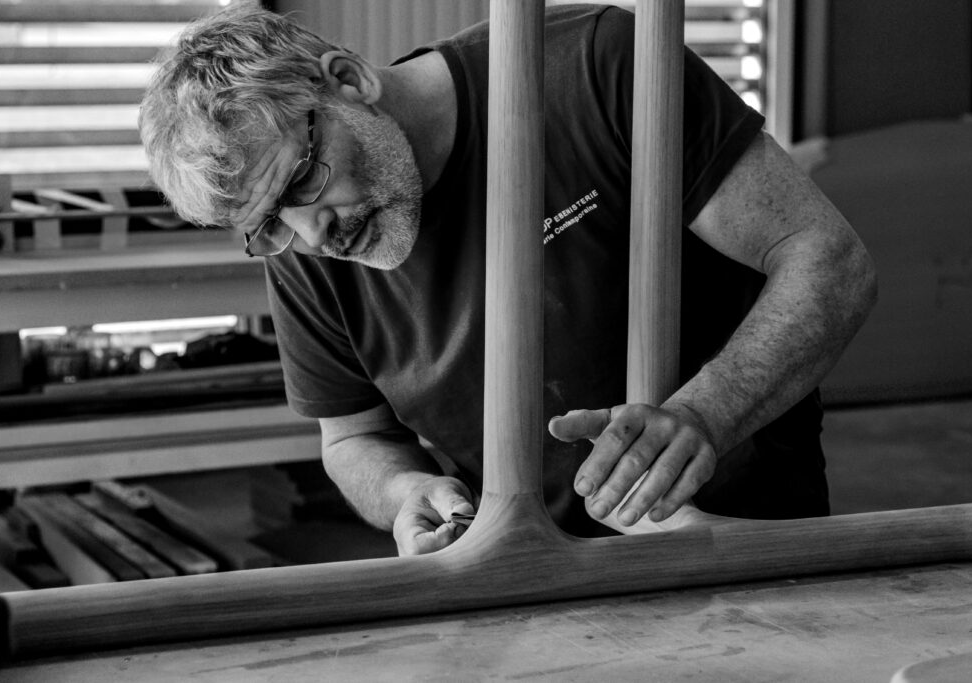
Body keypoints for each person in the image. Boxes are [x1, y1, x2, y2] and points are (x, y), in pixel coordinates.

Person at [139, 3, 877, 555]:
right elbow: (354, 435)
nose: (312, 236)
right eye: (269, 223)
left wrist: (704, 414)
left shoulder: (600, 69)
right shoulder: (306, 250)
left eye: (303, 180)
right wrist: (405, 491)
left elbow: (827, 258)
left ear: (349, 81)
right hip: (527, 577)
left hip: (735, 548)